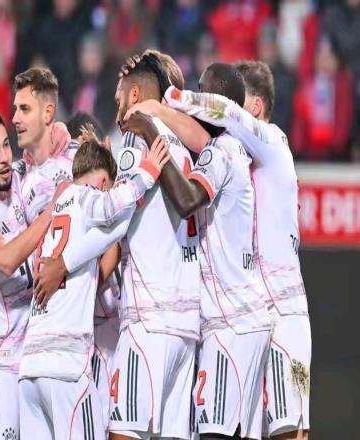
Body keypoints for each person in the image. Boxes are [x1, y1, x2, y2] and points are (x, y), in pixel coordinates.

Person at [34, 54, 200, 440]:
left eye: (118, 100)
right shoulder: (184, 144)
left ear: (135, 95)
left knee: (123, 431)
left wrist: (64, 263)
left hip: (148, 320)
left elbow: (115, 220)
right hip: (186, 323)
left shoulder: (137, 140)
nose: (117, 110)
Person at [162, 60, 311, 439]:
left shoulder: (272, 142)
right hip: (252, 312)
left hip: (284, 312)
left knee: (290, 430)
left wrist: (169, 98)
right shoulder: (236, 153)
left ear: (255, 107)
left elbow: (224, 111)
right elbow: (201, 136)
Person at [126, 61, 271, 440]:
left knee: (213, 434)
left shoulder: (221, 152)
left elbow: (189, 200)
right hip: (246, 318)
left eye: (201, 89)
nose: (194, 96)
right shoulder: (232, 148)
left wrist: (152, 137)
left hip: (231, 322)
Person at [19, 129, 169, 439]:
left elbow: (110, 232)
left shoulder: (57, 207)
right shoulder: (85, 195)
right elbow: (114, 210)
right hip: (65, 367)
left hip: (30, 367)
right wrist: (147, 171)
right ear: (102, 184)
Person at [0, 109, 62, 439]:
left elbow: (49, 143)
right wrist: (50, 213)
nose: (5, 157)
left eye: (6, 145)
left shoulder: (18, 175)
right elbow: (5, 260)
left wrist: (59, 132)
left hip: (33, 354)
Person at [12, 67, 74, 225]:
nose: (15, 119)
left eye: (25, 109)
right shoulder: (17, 179)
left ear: (48, 113)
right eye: (16, 109)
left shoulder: (78, 159)